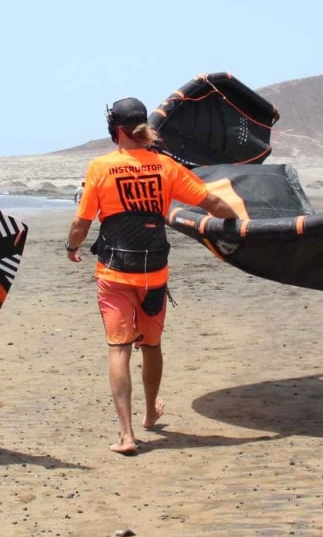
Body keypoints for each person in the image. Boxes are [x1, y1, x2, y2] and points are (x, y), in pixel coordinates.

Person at [66, 96, 238, 455]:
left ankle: (127, 436)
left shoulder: (101, 167)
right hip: (154, 273)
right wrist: (240, 223)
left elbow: (82, 222)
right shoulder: (164, 166)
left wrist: (71, 247)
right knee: (152, 346)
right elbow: (210, 203)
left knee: (119, 349)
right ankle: (149, 412)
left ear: (114, 130)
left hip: (114, 271)